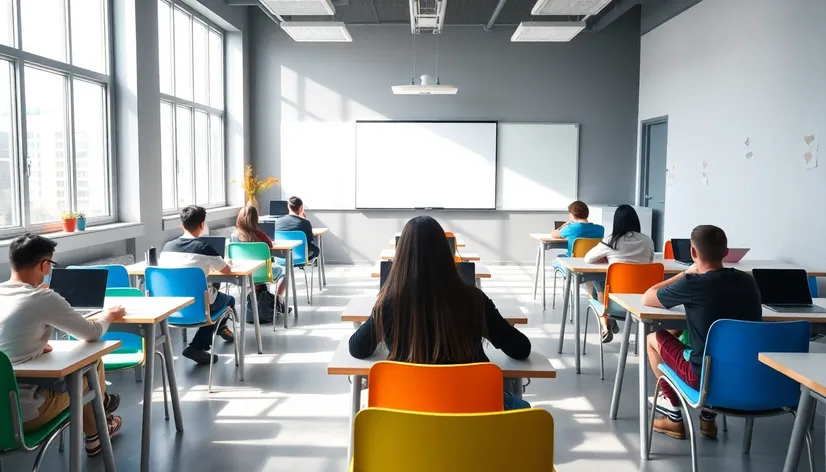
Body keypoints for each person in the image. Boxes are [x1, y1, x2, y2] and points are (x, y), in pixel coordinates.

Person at [348, 216, 532, 410]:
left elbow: (357, 348)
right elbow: (521, 349)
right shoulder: (474, 300)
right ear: (446, 253)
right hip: (473, 415)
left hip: (409, 415)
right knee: (523, 410)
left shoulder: (389, 304)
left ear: (400, 256)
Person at [0, 234, 126, 456]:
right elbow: (92, 334)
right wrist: (108, 315)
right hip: (23, 415)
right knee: (89, 366)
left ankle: (101, 418)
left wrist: (35, 348)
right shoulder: (42, 298)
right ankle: (100, 418)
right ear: (44, 265)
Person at [641, 225, 762, 440]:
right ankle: (708, 419)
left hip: (701, 377)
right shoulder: (748, 281)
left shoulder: (692, 283)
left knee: (653, 338)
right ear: (726, 252)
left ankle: (674, 418)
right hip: (747, 377)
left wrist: (686, 272)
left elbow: (648, 296)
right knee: (699, 339)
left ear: (693, 253)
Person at [160, 205, 235, 365]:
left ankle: (217, 326)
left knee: (213, 292)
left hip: (170, 308)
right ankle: (199, 344)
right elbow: (227, 271)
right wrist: (225, 262)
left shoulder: (167, 248)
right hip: (199, 307)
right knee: (229, 301)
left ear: (182, 225)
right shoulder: (205, 248)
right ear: (202, 224)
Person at [583, 204, 655, 342]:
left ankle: (606, 325)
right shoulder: (647, 241)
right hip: (643, 300)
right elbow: (650, 262)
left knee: (598, 282)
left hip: (615, 303)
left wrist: (606, 258)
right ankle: (609, 323)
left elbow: (588, 259)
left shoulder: (611, 241)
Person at [231, 205, 289, 315]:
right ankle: (279, 298)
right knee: (285, 274)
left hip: (242, 273)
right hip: (263, 273)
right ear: (255, 219)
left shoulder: (234, 236)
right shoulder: (261, 236)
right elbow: (270, 247)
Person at [273, 196, 319, 260]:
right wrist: (303, 220)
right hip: (302, 256)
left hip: (283, 257)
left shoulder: (278, 221)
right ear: (301, 208)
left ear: (288, 207)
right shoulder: (305, 223)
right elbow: (310, 242)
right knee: (316, 250)